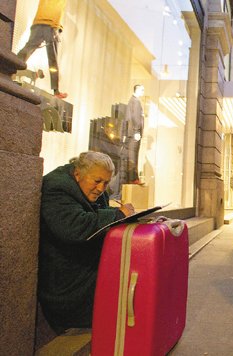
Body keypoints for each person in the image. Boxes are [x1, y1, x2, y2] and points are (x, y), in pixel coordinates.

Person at [39, 151, 135, 331]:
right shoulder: (57, 187)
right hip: (66, 281)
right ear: (77, 174)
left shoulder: (93, 189)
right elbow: (74, 226)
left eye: (106, 183)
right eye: (97, 181)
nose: (101, 188)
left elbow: (99, 217)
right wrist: (118, 215)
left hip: (84, 266)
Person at [17, 0, 68, 99]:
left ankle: (9, 69)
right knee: (52, 59)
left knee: (26, 50)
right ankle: (56, 90)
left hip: (38, 22)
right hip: (51, 25)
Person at [122, 84, 145, 184]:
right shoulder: (135, 101)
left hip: (132, 133)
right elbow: (135, 117)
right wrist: (136, 131)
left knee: (132, 155)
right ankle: (133, 178)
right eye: (142, 90)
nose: (143, 92)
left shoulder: (133, 101)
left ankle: (132, 178)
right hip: (134, 133)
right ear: (137, 90)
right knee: (133, 156)